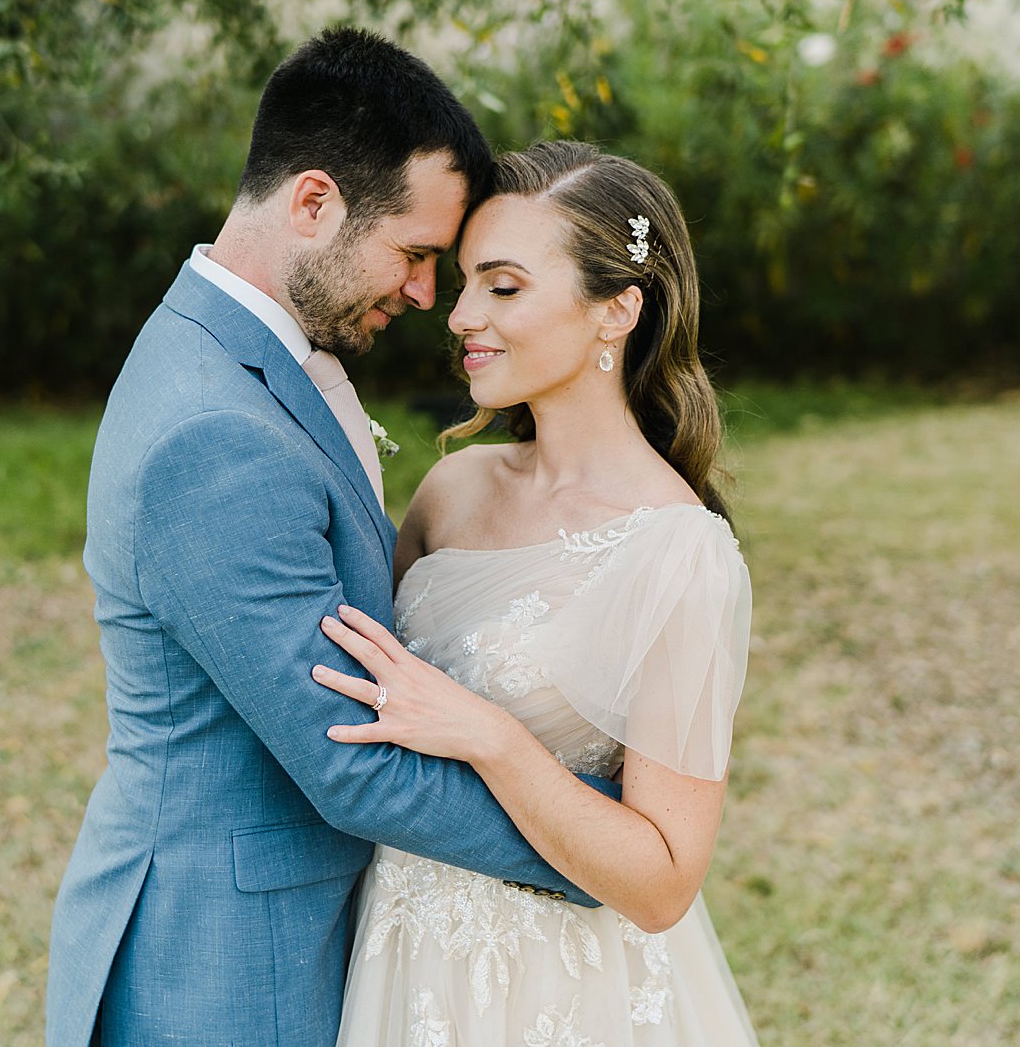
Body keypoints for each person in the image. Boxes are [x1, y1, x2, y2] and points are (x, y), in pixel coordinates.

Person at [44, 30, 620, 1047]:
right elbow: (345, 759)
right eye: (413, 254)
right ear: (312, 203)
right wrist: (594, 841)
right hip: (223, 969)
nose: (420, 295)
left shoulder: (233, 350)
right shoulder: (213, 432)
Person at [315, 139, 759, 1044]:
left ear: (616, 310)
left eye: (504, 287)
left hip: (555, 988)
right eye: (466, 279)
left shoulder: (679, 553)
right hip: (401, 953)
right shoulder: (452, 490)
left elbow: (665, 878)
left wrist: (490, 737)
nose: (461, 314)